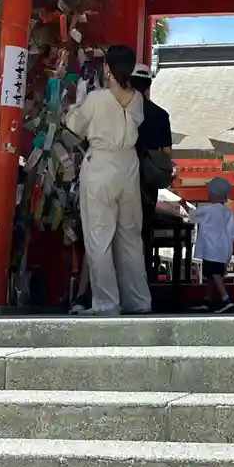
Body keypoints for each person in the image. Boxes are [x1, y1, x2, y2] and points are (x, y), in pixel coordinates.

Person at [65, 44, 153, 316]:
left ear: (108, 69)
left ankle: (106, 303)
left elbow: (74, 125)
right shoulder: (137, 98)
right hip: (128, 165)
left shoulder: (96, 98)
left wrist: (78, 101)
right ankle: (138, 300)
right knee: (130, 237)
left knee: (99, 237)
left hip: (102, 164)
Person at [128, 62, 173, 281]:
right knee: (144, 229)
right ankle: (143, 278)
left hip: (123, 173)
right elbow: (167, 154)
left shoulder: (124, 112)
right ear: (148, 86)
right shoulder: (161, 115)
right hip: (149, 179)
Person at [190, 176, 234, 313]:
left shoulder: (208, 209)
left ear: (213, 194)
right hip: (223, 248)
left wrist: (184, 205)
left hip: (211, 248)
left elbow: (192, 216)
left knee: (214, 274)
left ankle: (226, 299)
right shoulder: (227, 212)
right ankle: (207, 300)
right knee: (214, 275)